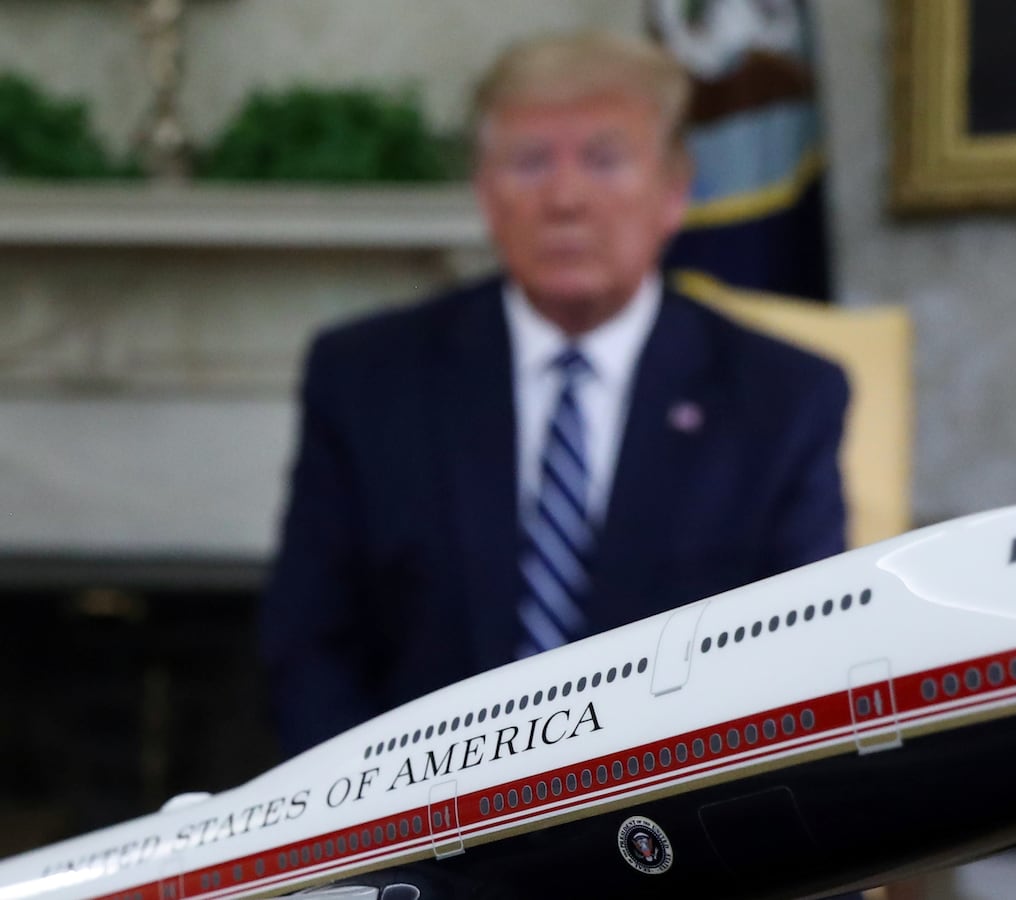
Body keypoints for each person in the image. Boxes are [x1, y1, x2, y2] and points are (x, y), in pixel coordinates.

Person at [260, 32, 848, 757]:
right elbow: (309, 650)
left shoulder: (784, 399)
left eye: (603, 159)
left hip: (688, 834)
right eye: (531, 161)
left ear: (673, 192)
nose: (565, 198)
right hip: (420, 839)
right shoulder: (365, 377)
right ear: (484, 191)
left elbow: (803, 674)